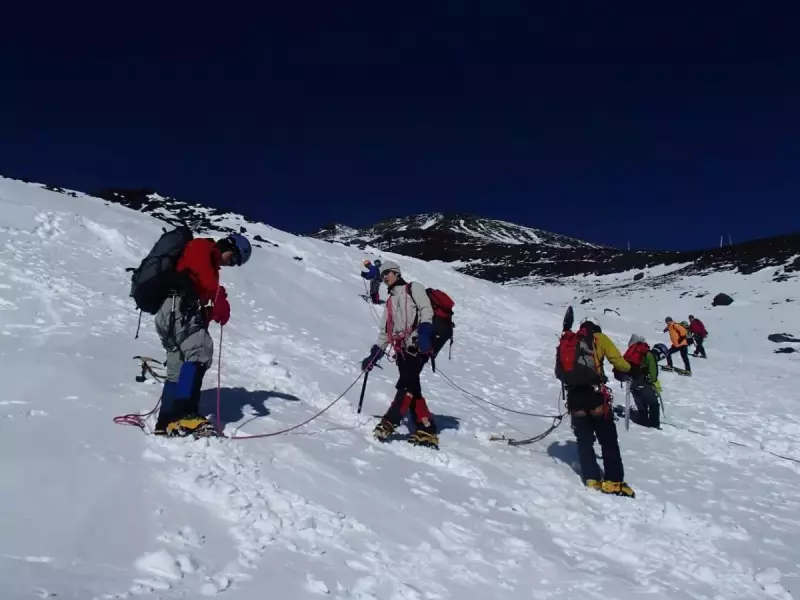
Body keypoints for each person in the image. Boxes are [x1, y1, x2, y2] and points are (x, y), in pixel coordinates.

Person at [153, 233, 252, 436]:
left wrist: (211, 311)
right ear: (228, 246)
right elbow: (207, 285)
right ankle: (185, 415)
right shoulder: (202, 248)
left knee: (177, 366)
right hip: (177, 309)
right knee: (200, 350)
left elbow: (200, 288)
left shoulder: (207, 257)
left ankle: (165, 422)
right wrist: (220, 299)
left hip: (171, 312)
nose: (230, 264)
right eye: (232, 259)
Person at [360, 260, 439, 448]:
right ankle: (426, 427)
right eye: (382, 275)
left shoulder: (413, 289)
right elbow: (385, 332)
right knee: (412, 384)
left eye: (387, 273)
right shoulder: (389, 302)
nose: (384, 277)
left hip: (419, 345)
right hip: (401, 350)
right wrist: (374, 354)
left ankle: (391, 420)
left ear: (396, 273)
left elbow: (426, 309)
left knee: (406, 382)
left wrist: (425, 332)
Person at [555, 316, 635, 497]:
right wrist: (629, 369)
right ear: (597, 326)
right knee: (607, 440)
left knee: (584, 439)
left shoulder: (570, 341)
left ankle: (591, 478)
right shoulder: (600, 338)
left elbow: (559, 372)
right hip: (595, 395)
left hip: (575, 397)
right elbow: (619, 362)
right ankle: (614, 482)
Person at [624, 334, 662, 429]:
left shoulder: (630, 352)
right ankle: (654, 424)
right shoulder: (647, 354)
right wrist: (654, 381)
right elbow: (653, 371)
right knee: (653, 404)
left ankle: (642, 421)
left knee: (641, 404)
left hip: (632, 381)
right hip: (644, 382)